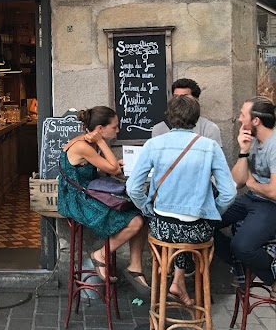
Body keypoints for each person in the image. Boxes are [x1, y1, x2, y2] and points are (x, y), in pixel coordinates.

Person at [127, 96, 236, 306]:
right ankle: (178, 282)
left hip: (163, 229)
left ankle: (176, 283)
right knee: (188, 230)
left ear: (170, 117)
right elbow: (229, 193)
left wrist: (147, 208)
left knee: (175, 233)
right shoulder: (210, 146)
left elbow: (133, 188)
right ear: (196, 119)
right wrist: (213, 213)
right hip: (197, 230)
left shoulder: (154, 144)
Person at [57, 107, 148, 293]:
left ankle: (135, 267)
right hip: (78, 201)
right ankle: (100, 255)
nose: (117, 131)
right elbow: (114, 169)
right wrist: (102, 144)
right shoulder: (83, 145)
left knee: (141, 214)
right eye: (114, 127)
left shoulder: (89, 144)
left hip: (88, 193)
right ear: (100, 128)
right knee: (136, 221)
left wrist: (110, 161)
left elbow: (99, 170)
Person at [214, 96, 276, 284]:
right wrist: (243, 151)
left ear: (256, 121)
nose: (239, 119)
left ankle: (271, 278)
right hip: (252, 198)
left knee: (243, 246)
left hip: (270, 204)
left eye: (243, 115)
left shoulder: (274, 145)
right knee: (204, 222)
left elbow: (274, 192)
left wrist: (252, 184)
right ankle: (240, 265)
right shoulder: (254, 141)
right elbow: (237, 182)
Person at [152, 78, 222, 146]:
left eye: (184, 97)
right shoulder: (159, 129)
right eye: (176, 97)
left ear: (196, 99)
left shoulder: (209, 128)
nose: (179, 100)